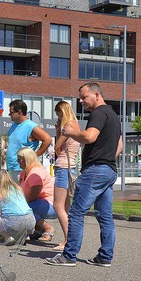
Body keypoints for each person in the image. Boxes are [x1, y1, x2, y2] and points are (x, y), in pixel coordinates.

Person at [45, 82, 123, 268]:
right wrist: (106, 158)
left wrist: (73, 133)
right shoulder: (113, 115)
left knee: (76, 212)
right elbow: (119, 145)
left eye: (84, 97)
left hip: (95, 170)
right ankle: (105, 256)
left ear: (96, 95)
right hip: (109, 170)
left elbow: (89, 137)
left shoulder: (98, 113)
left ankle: (69, 256)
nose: (81, 101)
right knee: (105, 216)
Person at [51, 101, 81, 252]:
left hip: (63, 167)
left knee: (58, 205)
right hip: (71, 168)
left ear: (62, 112)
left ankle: (68, 241)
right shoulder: (76, 124)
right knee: (66, 207)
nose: (58, 117)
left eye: (58, 114)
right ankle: (69, 239)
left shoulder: (68, 126)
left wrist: (58, 131)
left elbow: (57, 148)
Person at [0, 169, 35, 247]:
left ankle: (7, 236)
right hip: (31, 221)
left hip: (14, 222)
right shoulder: (18, 188)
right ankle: (23, 235)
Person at [5, 99, 52, 182]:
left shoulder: (30, 126)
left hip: (22, 169)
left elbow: (47, 139)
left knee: (22, 194)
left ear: (19, 112)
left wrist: (34, 156)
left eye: (11, 112)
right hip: (11, 168)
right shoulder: (14, 125)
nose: (9, 115)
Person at [17, 147, 57, 242]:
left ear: (27, 159)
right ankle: (38, 230)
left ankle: (48, 228)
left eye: (19, 159)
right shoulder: (24, 173)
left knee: (22, 209)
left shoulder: (36, 173)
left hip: (50, 205)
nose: (17, 161)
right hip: (39, 203)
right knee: (22, 207)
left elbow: (33, 195)